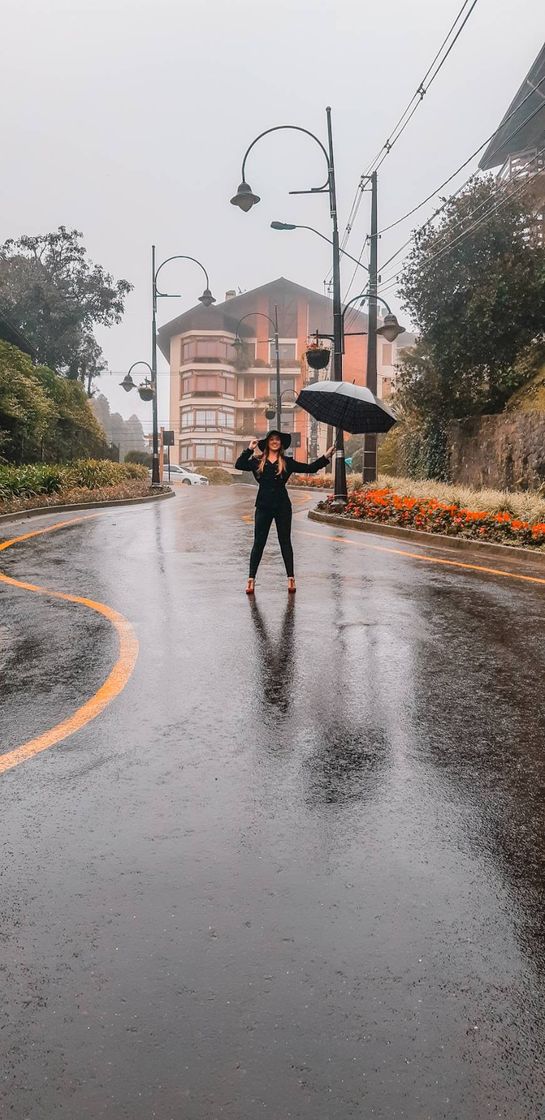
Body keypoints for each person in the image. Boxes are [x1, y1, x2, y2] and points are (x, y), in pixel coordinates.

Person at [235, 430, 334, 595]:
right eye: (272, 439)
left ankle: (291, 578)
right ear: (267, 443)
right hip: (263, 506)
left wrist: (326, 456)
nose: (274, 442)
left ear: (281, 443)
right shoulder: (257, 461)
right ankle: (251, 579)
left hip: (282, 507)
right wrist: (249, 449)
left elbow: (309, 467)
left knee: (285, 542)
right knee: (259, 543)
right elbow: (239, 465)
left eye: (277, 440)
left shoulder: (286, 462)